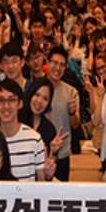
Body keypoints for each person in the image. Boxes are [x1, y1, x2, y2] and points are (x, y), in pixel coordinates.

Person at [0, 79, 46, 181]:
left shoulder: (34, 139)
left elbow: (41, 182)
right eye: (1, 100)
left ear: (20, 104)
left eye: (11, 100)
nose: (6, 106)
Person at [45, 46, 80, 181]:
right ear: (47, 63)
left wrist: (72, 112)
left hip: (62, 154)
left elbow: (75, 125)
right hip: (39, 152)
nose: (57, 68)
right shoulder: (37, 89)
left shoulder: (71, 92)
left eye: (62, 65)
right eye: (54, 63)